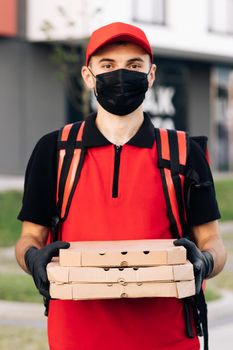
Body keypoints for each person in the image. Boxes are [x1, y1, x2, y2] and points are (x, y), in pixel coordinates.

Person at [15, 22, 227, 350]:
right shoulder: (55, 150)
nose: (121, 75)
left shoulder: (184, 152)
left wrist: (205, 261)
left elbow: (213, 242)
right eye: (108, 66)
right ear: (89, 76)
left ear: (151, 75)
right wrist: (33, 259)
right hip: (76, 337)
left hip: (168, 337)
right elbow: (29, 238)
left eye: (133, 66)